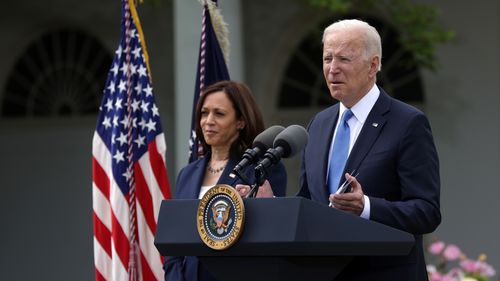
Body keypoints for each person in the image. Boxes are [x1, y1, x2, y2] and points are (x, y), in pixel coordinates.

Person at [240, 19, 441, 280]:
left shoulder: (407, 123)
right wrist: (273, 205)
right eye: (327, 59)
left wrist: (366, 207)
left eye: (344, 59)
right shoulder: (318, 125)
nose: (332, 69)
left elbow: (426, 212)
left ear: (373, 65)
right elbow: (310, 205)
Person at [163, 80, 287, 281]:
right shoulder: (187, 174)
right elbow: (174, 246)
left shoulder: (262, 169)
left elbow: (273, 234)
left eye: (219, 114)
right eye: (204, 113)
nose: (208, 121)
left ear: (241, 121)